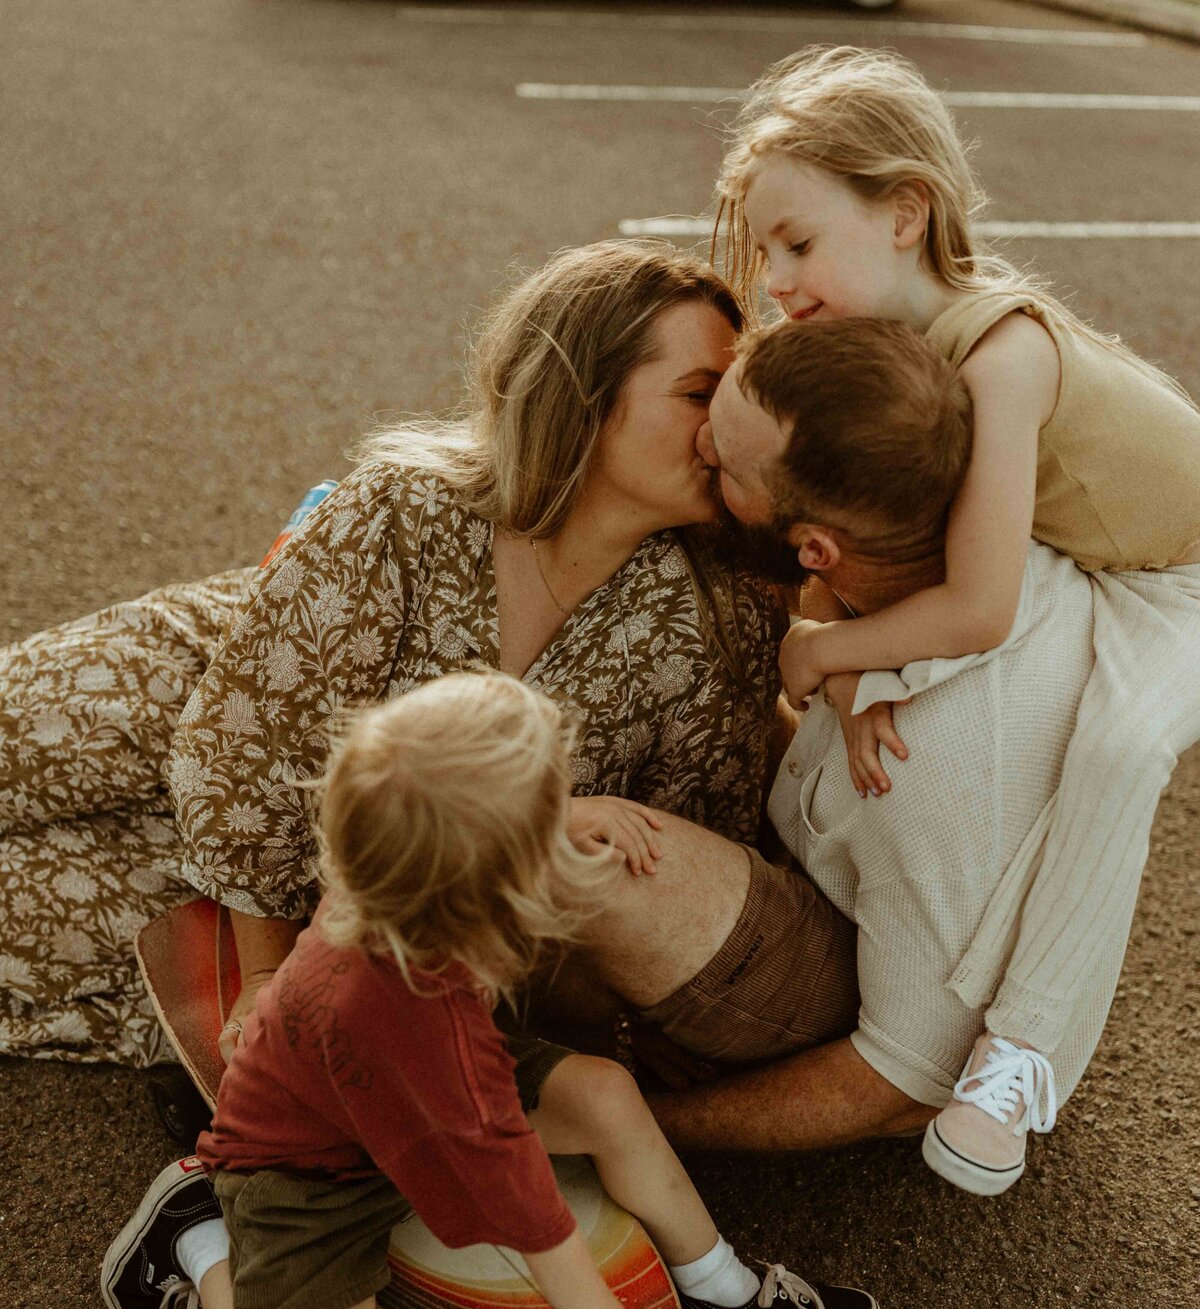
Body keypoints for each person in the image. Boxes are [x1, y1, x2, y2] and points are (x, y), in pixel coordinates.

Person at [0, 241, 785, 1069]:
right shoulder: (404, 506)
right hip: (198, 699)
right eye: (700, 394)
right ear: (584, 397)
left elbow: (653, 879)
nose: (722, 431)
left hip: (346, 896)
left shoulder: (718, 620)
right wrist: (267, 976)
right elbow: (247, 749)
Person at [99, 675, 882, 1309]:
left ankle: (717, 1290)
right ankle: (198, 1239)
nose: (566, 822)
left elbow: (437, 830)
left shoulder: (388, 881)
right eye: (548, 818)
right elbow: (523, 1211)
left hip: (379, 1093)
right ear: (495, 888)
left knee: (606, 1095)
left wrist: (565, 820)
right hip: (306, 1173)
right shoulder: (432, 1040)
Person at [713, 44, 1200, 1193]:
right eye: (765, 253)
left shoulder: (1003, 356)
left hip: (1179, 577)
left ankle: (1018, 1055)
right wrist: (849, 676)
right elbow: (858, 532)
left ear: (904, 212)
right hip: (1095, 555)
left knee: (1119, 749)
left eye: (796, 243)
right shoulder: (889, 347)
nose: (776, 279)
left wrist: (826, 651)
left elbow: (978, 608)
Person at [555, 317, 1127, 1168]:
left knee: (588, 861)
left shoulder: (937, 774)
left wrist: (638, 1128)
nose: (700, 440)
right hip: (838, 839)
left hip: (864, 969)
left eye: (724, 459)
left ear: (816, 545)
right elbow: (826, 586)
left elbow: (901, 1083)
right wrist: (837, 658)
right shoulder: (924, 518)